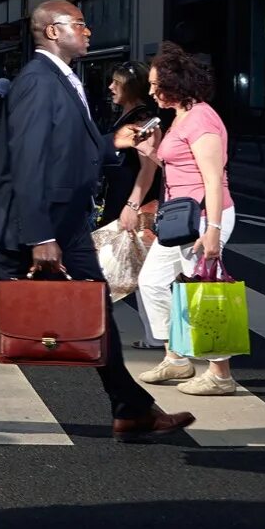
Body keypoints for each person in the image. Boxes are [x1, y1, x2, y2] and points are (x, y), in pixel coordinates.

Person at [0, 1, 195, 442]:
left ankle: (130, 407)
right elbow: (28, 162)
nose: (87, 30)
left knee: (82, 305)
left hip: (62, 221)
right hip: (44, 223)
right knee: (4, 308)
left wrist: (112, 143)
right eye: (78, 24)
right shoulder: (39, 82)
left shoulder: (63, 79)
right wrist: (41, 234)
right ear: (51, 32)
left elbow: (69, 150)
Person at [135, 42, 240, 396]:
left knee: (202, 291)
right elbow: (183, 168)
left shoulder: (202, 119)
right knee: (151, 282)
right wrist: (152, 152)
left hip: (203, 217)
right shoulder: (181, 115)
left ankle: (220, 374)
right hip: (180, 217)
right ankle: (177, 359)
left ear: (177, 84)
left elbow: (213, 177)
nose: (151, 93)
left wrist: (211, 231)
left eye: (155, 85)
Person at [100, 61, 164, 350]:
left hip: (135, 203)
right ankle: (154, 334)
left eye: (116, 82)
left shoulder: (143, 119)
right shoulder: (127, 115)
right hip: (121, 198)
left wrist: (132, 204)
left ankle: (158, 335)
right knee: (140, 269)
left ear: (130, 87)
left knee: (140, 269)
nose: (111, 87)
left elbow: (148, 167)